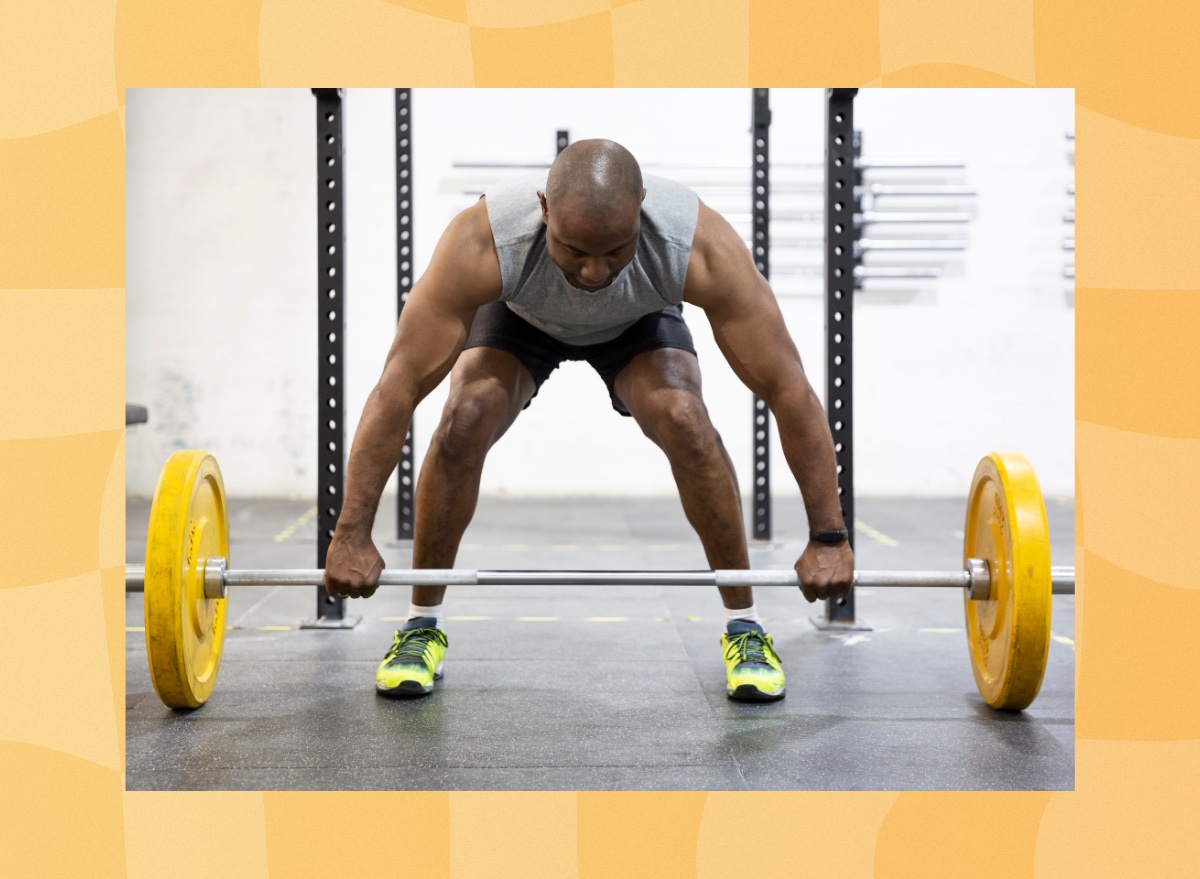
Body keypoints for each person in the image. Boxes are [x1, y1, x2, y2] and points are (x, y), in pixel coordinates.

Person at [324, 139, 854, 702]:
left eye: (615, 250)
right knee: (464, 418)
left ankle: (744, 628)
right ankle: (419, 628)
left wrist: (829, 536)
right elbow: (396, 389)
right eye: (574, 249)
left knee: (686, 420)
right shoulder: (484, 241)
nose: (595, 271)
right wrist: (351, 534)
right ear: (543, 211)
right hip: (521, 317)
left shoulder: (696, 244)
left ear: (642, 207)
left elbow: (787, 386)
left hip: (639, 321)